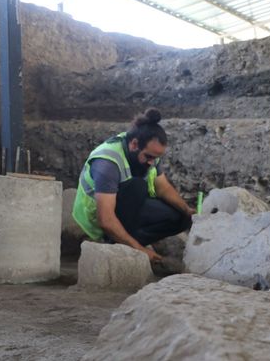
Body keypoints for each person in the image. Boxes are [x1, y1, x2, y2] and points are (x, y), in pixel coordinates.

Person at [72, 108, 194, 263]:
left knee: (181, 217)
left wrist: (187, 210)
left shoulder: (150, 153)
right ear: (134, 144)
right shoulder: (107, 163)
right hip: (98, 219)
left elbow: (163, 187)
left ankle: (127, 242)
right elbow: (105, 219)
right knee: (137, 186)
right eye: (149, 157)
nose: (152, 162)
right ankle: (114, 243)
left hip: (128, 207)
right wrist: (141, 251)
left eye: (156, 158)